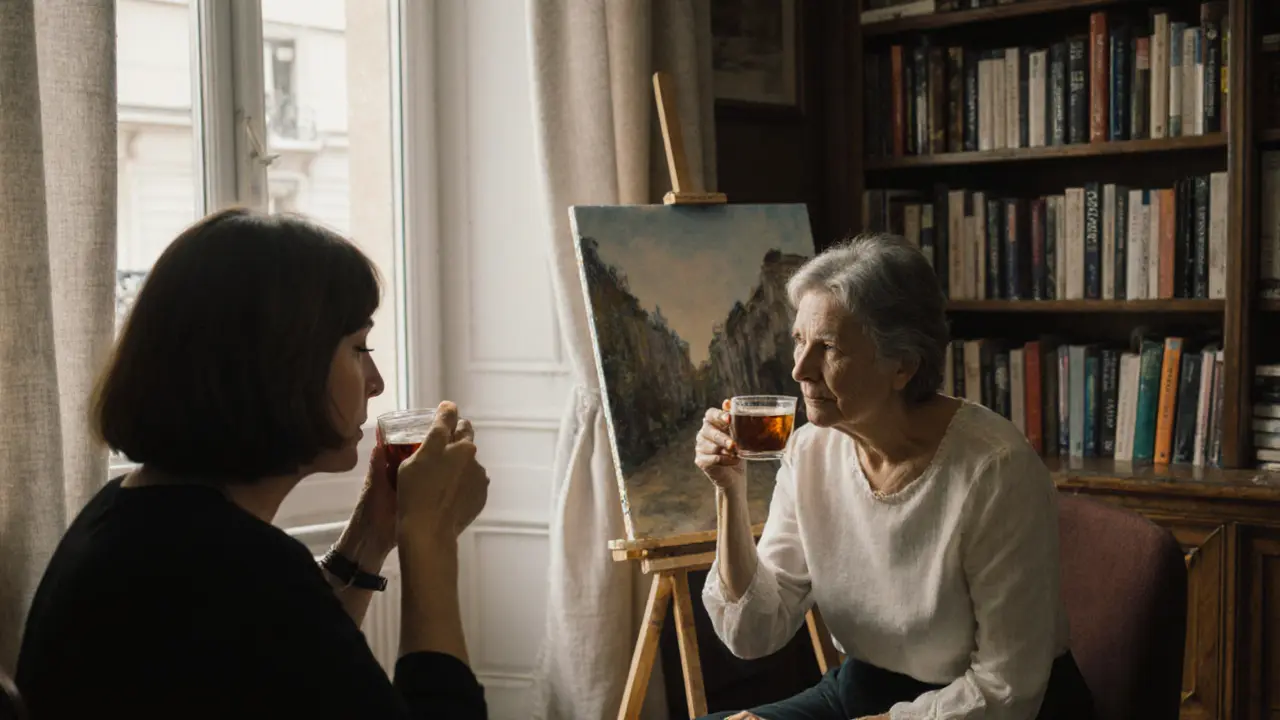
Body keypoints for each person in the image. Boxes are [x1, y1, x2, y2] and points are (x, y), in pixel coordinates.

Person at [16, 208, 490, 719]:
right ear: (281, 367)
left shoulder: (132, 515)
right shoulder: (228, 566)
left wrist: (371, 537)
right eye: (359, 348)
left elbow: (298, 666)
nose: (375, 381)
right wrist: (429, 541)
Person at [693, 234, 1094, 720]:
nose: (800, 369)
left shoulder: (994, 468)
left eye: (829, 347)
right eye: (799, 341)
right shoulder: (810, 451)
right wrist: (729, 492)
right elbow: (755, 632)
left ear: (902, 365)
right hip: (860, 692)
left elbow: (1007, 688)